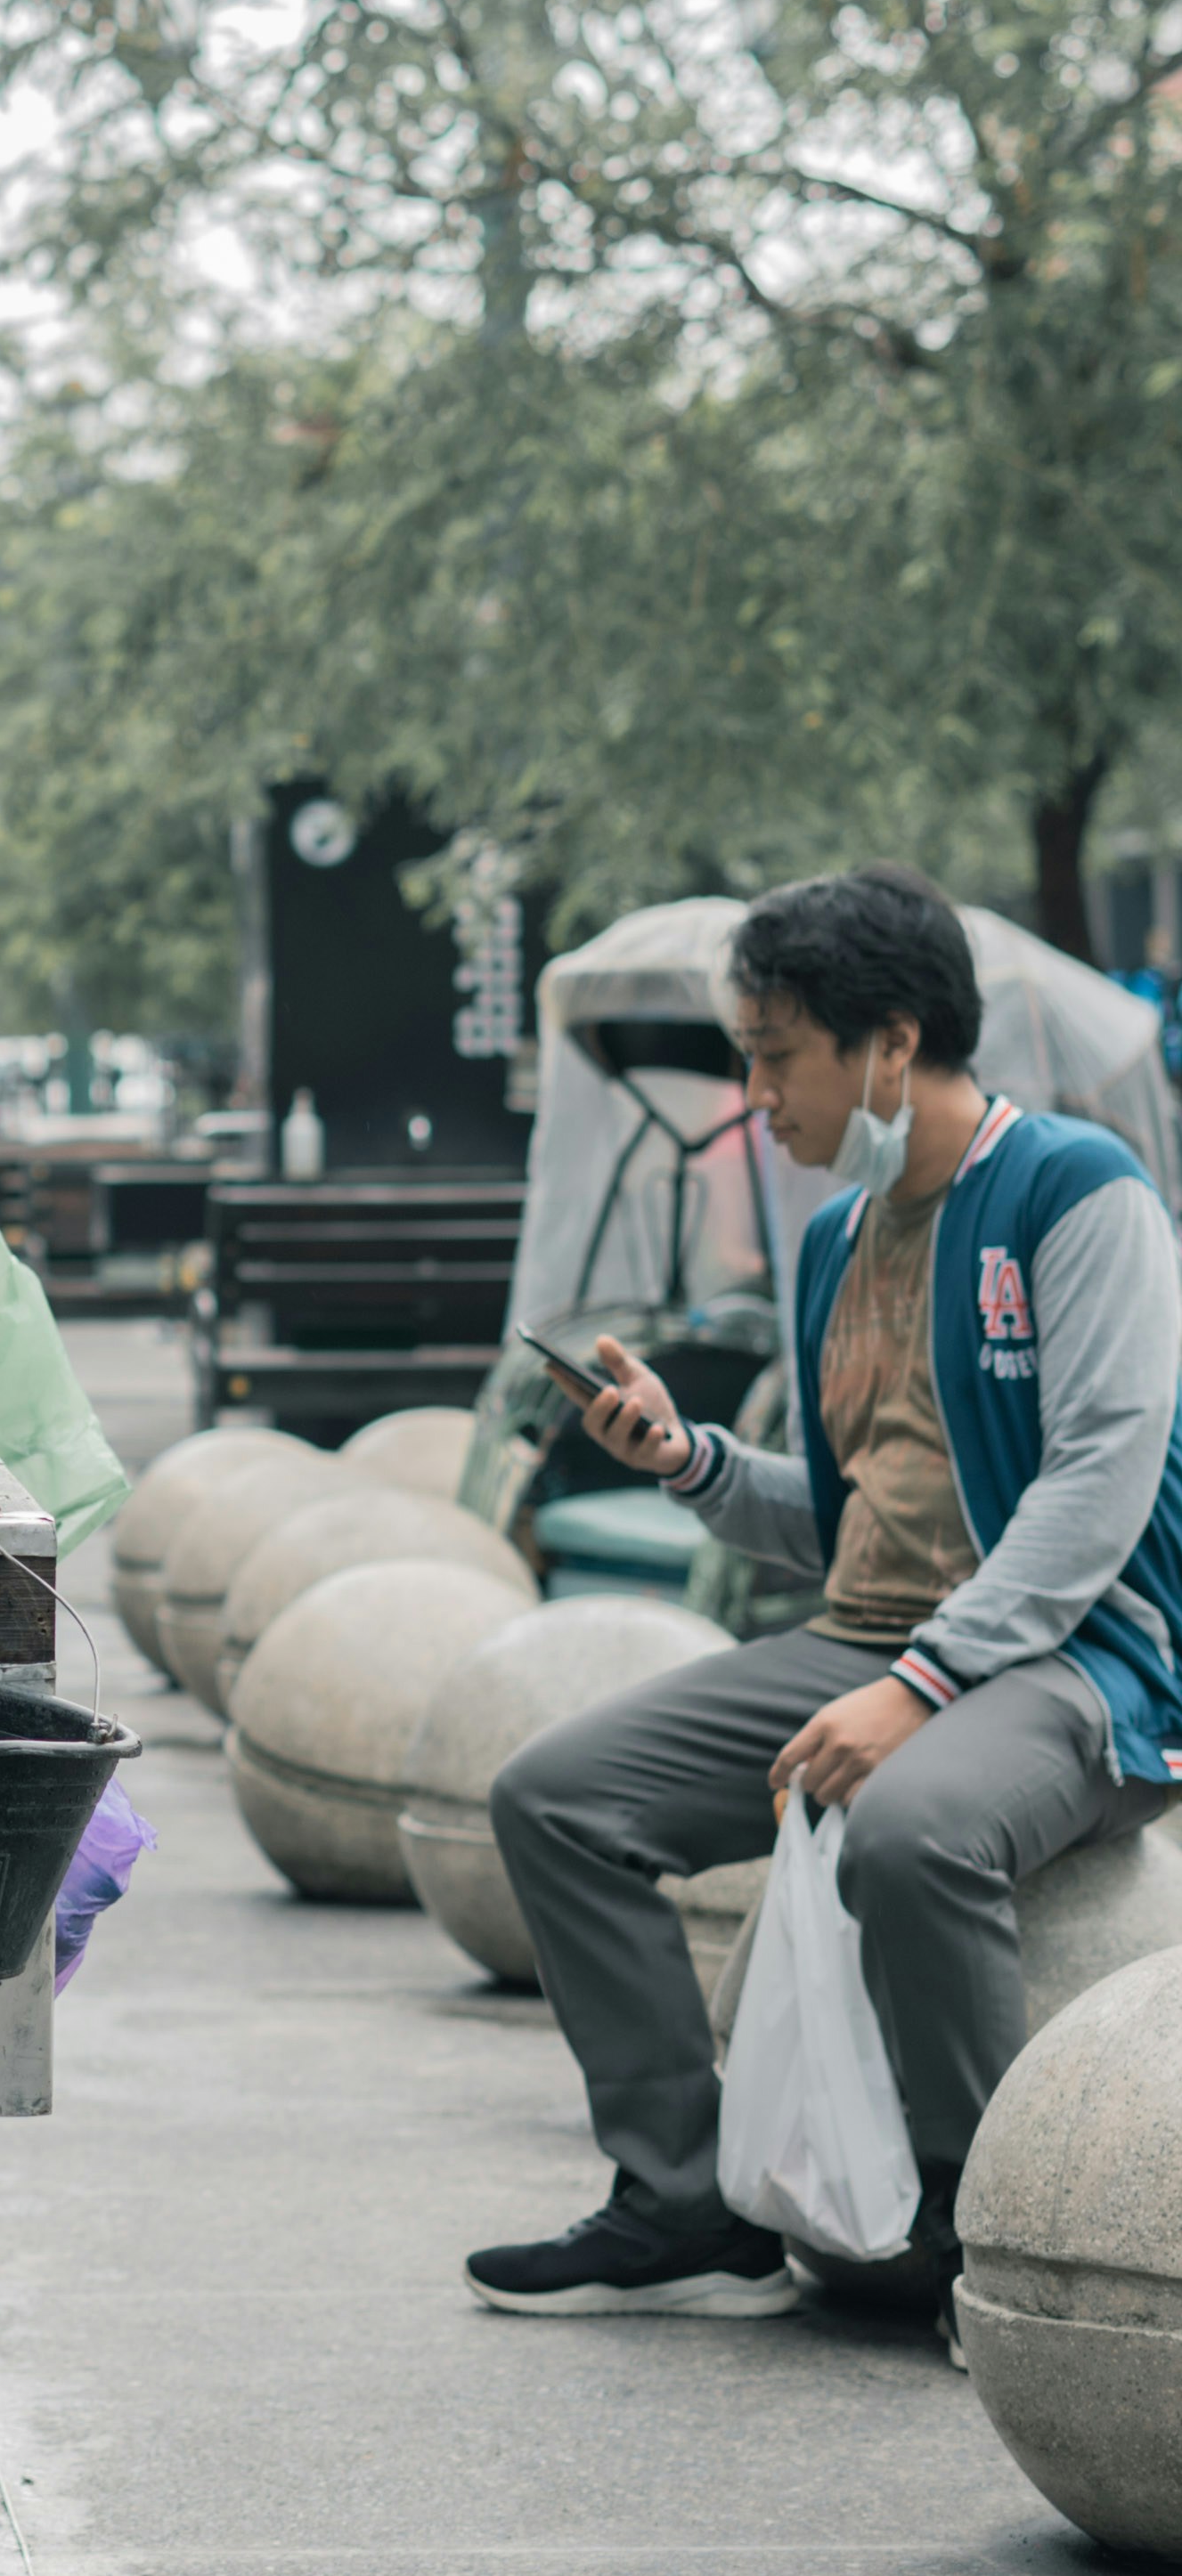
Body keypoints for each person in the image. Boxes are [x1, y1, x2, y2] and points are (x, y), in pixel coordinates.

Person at [469, 864, 1182, 2318]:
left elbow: (1096, 1487)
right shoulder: (832, 1241)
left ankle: (987, 2243)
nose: (755, 1097)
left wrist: (920, 1688)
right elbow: (850, 1522)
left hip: (1077, 1662)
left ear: (893, 1044)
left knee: (911, 1832)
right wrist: (692, 1461)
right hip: (869, 1644)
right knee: (555, 1800)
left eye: (776, 1056)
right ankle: (680, 2193)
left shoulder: (1079, 1191)